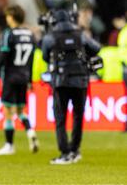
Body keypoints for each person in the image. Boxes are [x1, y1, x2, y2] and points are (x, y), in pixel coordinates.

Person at [42, 9, 101, 164]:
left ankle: (65, 152)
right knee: (78, 116)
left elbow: (45, 56)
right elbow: (96, 48)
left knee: (60, 118)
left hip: (61, 81)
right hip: (80, 80)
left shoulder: (51, 36)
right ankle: (75, 150)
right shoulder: (80, 34)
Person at [0, 5, 39, 156]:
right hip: (24, 76)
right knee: (20, 110)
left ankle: (9, 145)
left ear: (12, 17)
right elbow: (31, 59)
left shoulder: (9, 34)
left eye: (8, 16)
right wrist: (30, 80)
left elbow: (3, 57)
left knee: (8, 112)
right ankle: (30, 132)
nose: (6, 18)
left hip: (10, 77)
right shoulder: (30, 35)